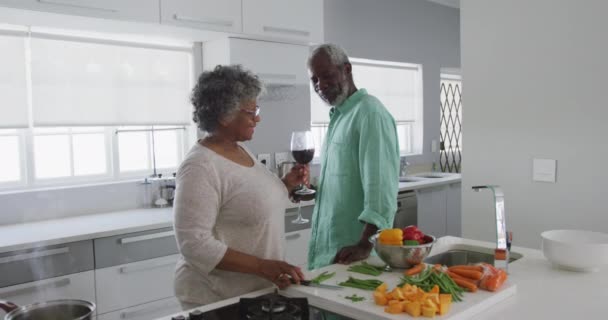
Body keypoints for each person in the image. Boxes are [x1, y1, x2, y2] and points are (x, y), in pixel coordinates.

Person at [173, 65, 307, 309]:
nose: (258, 117)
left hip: (255, 293)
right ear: (225, 115)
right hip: (217, 299)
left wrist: (285, 185)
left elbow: (248, 203)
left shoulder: (240, 148)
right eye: (251, 111)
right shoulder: (200, 167)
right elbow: (194, 244)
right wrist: (262, 266)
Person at [306, 44, 400, 270]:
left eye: (327, 76)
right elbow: (343, 181)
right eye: (315, 80)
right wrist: (311, 188)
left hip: (354, 255)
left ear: (346, 69)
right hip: (328, 254)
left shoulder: (370, 114)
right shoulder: (339, 117)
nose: (321, 85)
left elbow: (381, 189)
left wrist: (364, 245)